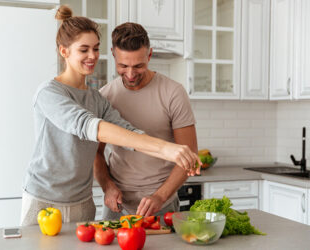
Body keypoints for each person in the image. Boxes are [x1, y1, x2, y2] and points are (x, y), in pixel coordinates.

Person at [20, 6, 200, 226]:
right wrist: (166, 149)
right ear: (64, 51)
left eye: (95, 49)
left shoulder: (97, 99)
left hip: (82, 200)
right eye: (84, 50)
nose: (92, 56)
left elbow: (129, 133)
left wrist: (174, 153)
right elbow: (88, 126)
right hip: (44, 199)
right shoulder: (49, 93)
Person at [94, 22, 199, 219]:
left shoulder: (173, 93)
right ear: (113, 55)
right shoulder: (105, 96)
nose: (131, 74)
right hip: (117, 205)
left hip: (162, 204)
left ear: (149, 55)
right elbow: (96, 154)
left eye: (138, 66)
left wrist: (159, 196)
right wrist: (108, 187)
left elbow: (190, 153)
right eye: (123, 66)